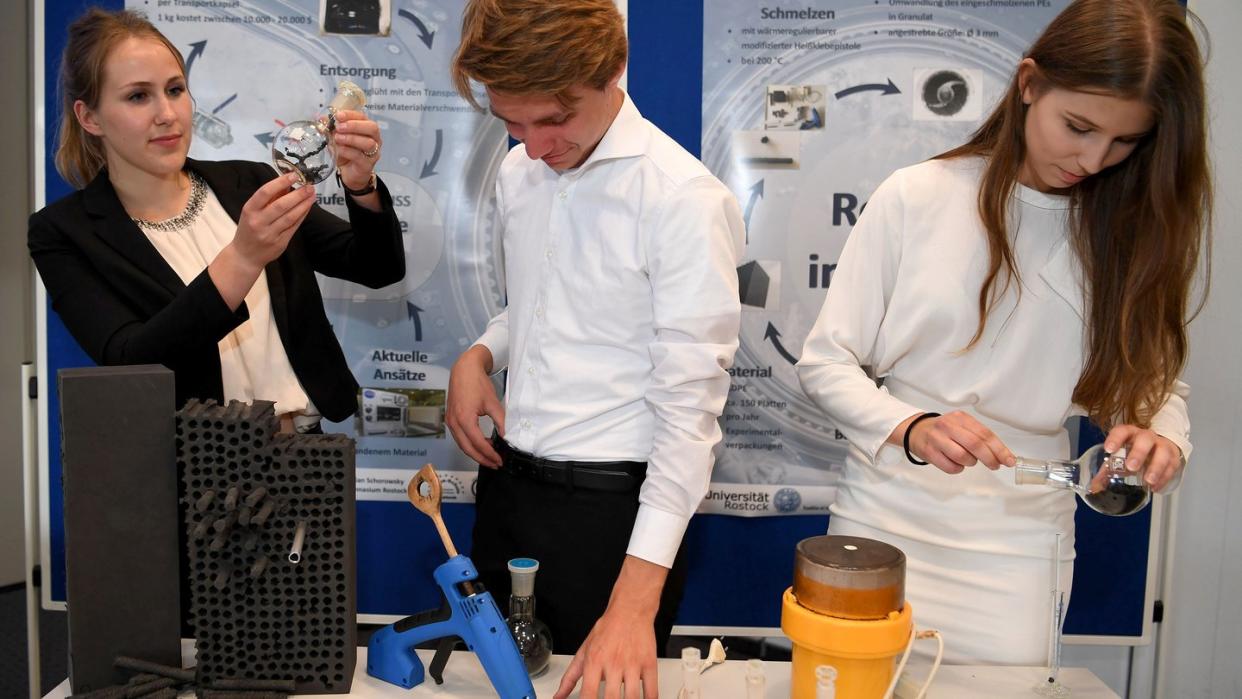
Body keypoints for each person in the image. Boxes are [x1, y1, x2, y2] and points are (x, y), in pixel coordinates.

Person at [797, 0, 1208, 665]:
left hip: (1023, 553)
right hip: (883, 528)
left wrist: (1162, 434)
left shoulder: (1131, 233)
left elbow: (1154, 382)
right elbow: (825, 364)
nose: (1094, 157)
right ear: (1028, 84)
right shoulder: (916, 196)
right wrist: (914, 427)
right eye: (1077, 126)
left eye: (1125, 141)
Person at [446, 0, 744, 695]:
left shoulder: (680, 199)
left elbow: (689, 418)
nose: (534, 146)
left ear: (614, 70)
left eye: (554, 119)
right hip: (509, 492)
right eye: (511, 123)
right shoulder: (521, 172)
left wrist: (633, 602)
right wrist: (481, 354)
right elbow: (543, 302)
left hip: (614, 522)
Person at [29, 8, 405, 434]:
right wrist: (244, 257)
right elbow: (131, 362)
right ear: (89, 117)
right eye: (138, 96)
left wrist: (361, 186)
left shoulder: (249, 181)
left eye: (175, 89)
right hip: (189, 473)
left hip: (306, 456)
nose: (167, 113)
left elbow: (377, 268)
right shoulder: (63, 232)